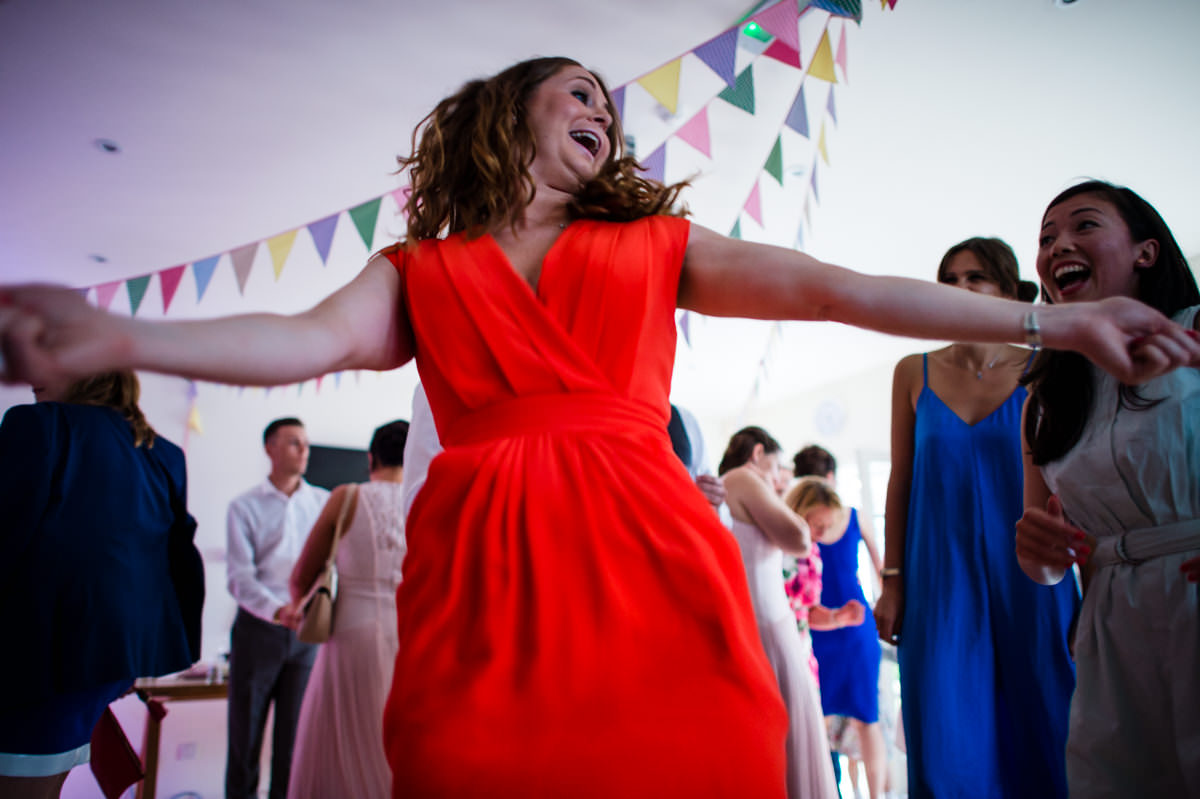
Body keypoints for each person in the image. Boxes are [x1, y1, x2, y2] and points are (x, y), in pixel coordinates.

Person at [0, 57, 1197, 796]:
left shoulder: (657, 246)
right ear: (505, 115)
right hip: (480, 581)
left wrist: (1055, 323)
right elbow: (300, 338)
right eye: (577, 91)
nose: (601, 112)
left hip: (651, 560)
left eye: (610, 107)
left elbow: (840, 288)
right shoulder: (421, 268)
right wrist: (116, 336)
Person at [873, 237, 1080, 798]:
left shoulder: (1046, 367)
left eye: (975, 277)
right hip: (939, 579)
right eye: (950, 279)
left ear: (1009, 291)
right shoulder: (912, 372)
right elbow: (901, 481)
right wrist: (892, 581)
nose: (959, 289)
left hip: (1033, 576)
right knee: (946, 740)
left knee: (1048, 725)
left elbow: (1077, 477)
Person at [1014, 181, 1200, 797]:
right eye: (1046, 238)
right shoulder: (1044, 398)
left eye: (1084, 225)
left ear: (1146, 250)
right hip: (1112, 626)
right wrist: (1039, 552)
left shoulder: (1195, 333)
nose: (1058, 246)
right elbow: (1044, 565)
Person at [0, 371, 202, 799]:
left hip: (31, 662)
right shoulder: (162, 452)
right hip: (104, 662)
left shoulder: (40, 425)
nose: (34, 373)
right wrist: (131, 658)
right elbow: (170, 564)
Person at [286, 419, 409, 799]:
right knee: (396, 744)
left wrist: (297, 605)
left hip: (351, 635)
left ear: (371, 458)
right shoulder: (425, 499)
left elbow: (302, 575)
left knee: (339, 744)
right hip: (411, 638)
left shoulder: (347, 496)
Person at [720, 428, 840, 799]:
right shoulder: (744, 478)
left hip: (764, 621)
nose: (777, 479)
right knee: (791, 732)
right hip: (769, 626)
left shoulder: (729, 487)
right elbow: (799, 540)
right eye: (776, 468)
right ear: (758, 453)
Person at [224, 418, 329, 799]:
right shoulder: (244, 506)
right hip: (259, 631)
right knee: (245, 739)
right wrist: (279, 609)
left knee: (294, 742)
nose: (304, 450)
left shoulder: (323, 502)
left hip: (306, 634)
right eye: (294, 442)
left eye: (306, 443)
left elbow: (330, 566)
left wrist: (311, 608)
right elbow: (240, 578)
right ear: (270, 448)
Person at [792, 445, 887, 799]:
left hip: (843, 624)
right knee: (855, 719)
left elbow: (882, 571)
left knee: (852, 717)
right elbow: (882, 571)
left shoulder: (830, 520)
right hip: (824, 626)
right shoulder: (806, 524)